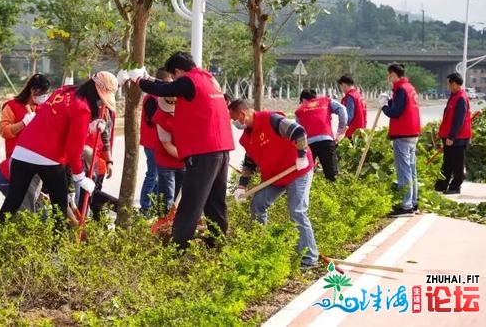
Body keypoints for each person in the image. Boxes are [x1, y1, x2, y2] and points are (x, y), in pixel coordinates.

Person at [129, 52, 234, 249]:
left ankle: (177, 251)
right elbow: (167, 86)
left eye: (174, 76)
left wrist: (138, 80)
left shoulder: (188, 81)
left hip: (203, 152)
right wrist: (148, 77)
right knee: (214, 202)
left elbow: (163, 88)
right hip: (221, 150)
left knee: (190, 203)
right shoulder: (209, 79)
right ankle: (217, 244)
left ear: (178, 71)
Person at [0, 71, 118, 227]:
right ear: (96, 92)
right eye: (101, 99)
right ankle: (57, 248)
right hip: (48, 157)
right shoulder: (83, 109)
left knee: (11, 203)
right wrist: (81, 178)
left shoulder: (65, 91)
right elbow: (74, 150)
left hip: (22, 152)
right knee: (59, 208)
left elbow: (59, 124)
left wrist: (88, 127)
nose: (101, 104)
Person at [228, 99, 319, 268]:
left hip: (297, 170)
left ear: (242, 115)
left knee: (297, 211)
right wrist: (242, 186)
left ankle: (309, 258)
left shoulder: (272, 120)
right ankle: (264, 245)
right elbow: (249, 162)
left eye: (234, 119)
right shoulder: (247, 137)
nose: (235, 123)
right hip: (275, 177)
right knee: (257, 204)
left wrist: (301, 155)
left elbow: (299, 132)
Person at [0, 73, 51, 211]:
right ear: (33, 90)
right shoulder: (12, 106)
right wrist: (23, 123)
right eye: (43, 93)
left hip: (38, 167)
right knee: (23, 210)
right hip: (18, 166)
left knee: (38, 211)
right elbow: (4, 131)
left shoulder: (44, 108)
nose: (45, 97)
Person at [380, 63, 421, 216]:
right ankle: (413, 202)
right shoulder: (409, 87)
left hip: (403, 135)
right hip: (412, 134)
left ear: (393, 74)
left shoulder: (401, 89)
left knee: (404, 172)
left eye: (389, 75)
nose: (388, 78)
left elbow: (396, 112)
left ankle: (406, 206)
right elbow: (401, 106)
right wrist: (389, 101)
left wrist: (384, 106)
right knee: (411, 170)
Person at [294, 89, 347, 181]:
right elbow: (342, 109)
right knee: (331, 174)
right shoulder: (326, 101)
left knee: (305, 174)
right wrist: (341, 128)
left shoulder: (299, 110)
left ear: (303, 99)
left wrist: (301, 153)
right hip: (327, 141)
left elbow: (298, 133)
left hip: (309, 144)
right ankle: (334, 191)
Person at [138, 68, 170, 215]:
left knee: (159, 175)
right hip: (152, 143)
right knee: (152, 174)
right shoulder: (152, 98)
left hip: (159, 142)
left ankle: (153, 203)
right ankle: (145, 205)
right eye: (170, 81)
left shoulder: (160, 97)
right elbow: (153, 119)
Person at [434, 73, 472, 194]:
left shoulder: (461, 98)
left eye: (448, 83)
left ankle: (455, 186)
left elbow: (458, 120)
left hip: (458, 137)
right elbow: (448, 117)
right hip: (449, 135)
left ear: (454, 84)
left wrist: (451, 136)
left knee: (457, 163)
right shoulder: (454, 96)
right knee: (448, 161)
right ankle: (441, 185)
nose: (447, 86)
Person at [153, 91, 184, 214]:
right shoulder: (160, 117)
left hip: (184, 161)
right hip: (166, 161)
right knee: (167, 197)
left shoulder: (186, 112)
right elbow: (167, 145)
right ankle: (164, 222)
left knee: (181, 197)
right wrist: (186, 156)